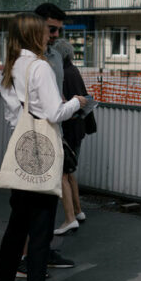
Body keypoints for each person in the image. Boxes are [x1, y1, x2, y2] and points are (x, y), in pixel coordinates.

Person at [0, 13, 87, 281]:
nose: (50, 36)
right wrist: (77, 102)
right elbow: (55, 113)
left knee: (16, 225)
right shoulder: (39, 67)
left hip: (19, 150)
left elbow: (12, 117)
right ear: (34, 34)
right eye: (46, 31)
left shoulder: (10, 65)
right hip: (40, 152)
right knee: (41, 226)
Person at [14, 3, 77, 277]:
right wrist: (74, 104)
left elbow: (52, 97)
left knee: (45, 205)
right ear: (37, 27)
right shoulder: (29, 62)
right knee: (34, 208)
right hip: (36, 137)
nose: (55, 35)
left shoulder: (55, 54)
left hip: (53, 132)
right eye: (51, 29)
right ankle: (27, 262)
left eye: (59, 30)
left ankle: (41, 252)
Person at [52, 39, 91, 235]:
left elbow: (61, 107)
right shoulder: (74, 71)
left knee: (64, 173)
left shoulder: (62, 74)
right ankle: (77, 211)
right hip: (78, 128)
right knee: (70, 170)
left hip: (67, 128)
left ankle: (70, 217)